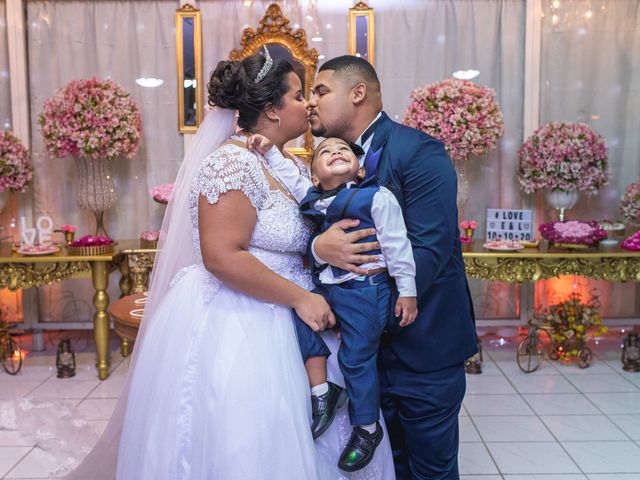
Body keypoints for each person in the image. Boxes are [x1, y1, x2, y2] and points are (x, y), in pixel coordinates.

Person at [64, 48, 395, 480]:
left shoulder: (278, 162)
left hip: (294, 315)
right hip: (244, 318)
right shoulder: (231, 162)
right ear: (274, 111)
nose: (307, 104)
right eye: (298, 96)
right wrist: (301, 298)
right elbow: (221, 256)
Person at [307, 55, 478, 479]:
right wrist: (318, 249)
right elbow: (308, 238)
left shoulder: (419, 151)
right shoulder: (323, 164)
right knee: (387, 469)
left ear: (358, 92)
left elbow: (429, 251)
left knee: (431, 470)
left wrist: (359, 310)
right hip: (365, 356)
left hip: (424, 348)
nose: (311, 102)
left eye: (321, 90)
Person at [248, 134, 417, 472]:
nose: (337, 151)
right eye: (326, 151)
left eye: (344, 151)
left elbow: (399, 246)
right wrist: (268, 151)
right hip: (328, 287)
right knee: (297, 311)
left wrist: (407, 291)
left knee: (356, 359)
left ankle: (367, 429)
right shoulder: (315, 199)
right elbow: (293, 179)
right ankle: (324, 390)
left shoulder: (376, 198)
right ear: (316, 177)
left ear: (357, 170)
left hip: (366, 292)